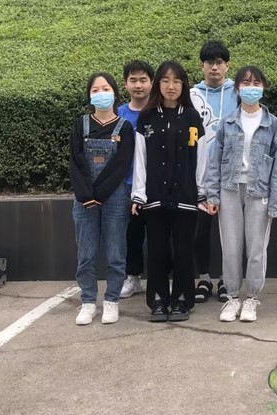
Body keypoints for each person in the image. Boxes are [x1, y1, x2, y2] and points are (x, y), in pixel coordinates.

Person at [206, 66, 277, 323]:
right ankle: (232, 297)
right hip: (230, 189)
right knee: (230, 248)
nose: (251, 87)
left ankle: (251, 298)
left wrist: (276, 202)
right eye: (245, 83)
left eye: (256, 83)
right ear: (237, 88)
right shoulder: (227, 122)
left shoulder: (273, 124)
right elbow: (214, 160)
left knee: (256, 249)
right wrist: (212, 195)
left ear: (263, 87)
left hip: (259, 191)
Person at [131, 61, 204, 322]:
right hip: (154, 196)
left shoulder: (192, 117)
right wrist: (139, 194)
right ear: (158, 85)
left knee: (183, 250)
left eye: (176, 81)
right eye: (165, 81)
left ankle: (182, 300)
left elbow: (201, 157)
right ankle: (158, 300)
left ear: (183, 85)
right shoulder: (147, 117)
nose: (170, 86)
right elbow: (140, 158)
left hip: (185, 196)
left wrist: (201, 192)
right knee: (157, 251)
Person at [69, 72, 135, 325]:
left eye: (105, 89)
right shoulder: (81, 125)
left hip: (115, 198)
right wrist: (87, 195)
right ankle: (87, 301)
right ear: (89, 96)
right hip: (84, 199)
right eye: (95, 90)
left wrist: (100, 193)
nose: (101, 94)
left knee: (116, 252)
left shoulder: (124, 127)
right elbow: (76, 162)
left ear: (115, 94)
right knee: (85, 254)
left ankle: (111, 300)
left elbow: (121, 165)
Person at [190, 40, 238, 303]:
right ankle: (204, 278)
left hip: (229, 175)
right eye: (210, 63)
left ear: (227, 65)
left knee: (228, 232)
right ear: (202, 66)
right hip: (199, 176)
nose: (215, 68)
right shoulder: (192, 96)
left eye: (219, 62)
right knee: (201, 231)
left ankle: (226, 280)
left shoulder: (238, 93)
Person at [118, 60, 155, 299]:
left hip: (155, 184)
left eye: (143, 80)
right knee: (131, 234)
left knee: (160, 235)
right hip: (126, 185)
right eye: (133, 80)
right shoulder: (118, 114)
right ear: (125, 84)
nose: (138, 85)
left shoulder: (158, 111)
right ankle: (133, 277)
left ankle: (162, 279)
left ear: (152, 83)